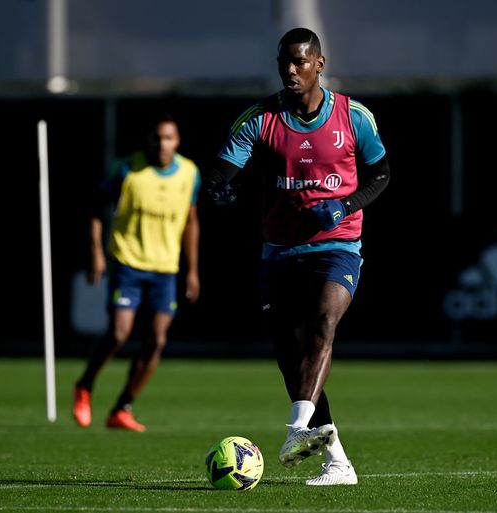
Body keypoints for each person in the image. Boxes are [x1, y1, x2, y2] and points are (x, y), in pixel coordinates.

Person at [206, 28, 390, 485]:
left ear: (319, 64)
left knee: (324, 322)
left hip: (338, 244)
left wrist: (345, 205)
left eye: (300, 61)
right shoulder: (260, 119)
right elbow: (224, 169)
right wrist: (220, 185)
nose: (290, 70)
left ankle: (295, 432)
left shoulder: (353, 117)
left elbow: (381, 173)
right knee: (291, 356)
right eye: (283, 62)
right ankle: (338, 462)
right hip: (281, 251)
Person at [72, 115, 201, 432]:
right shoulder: (128, 169)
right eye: (157, 137)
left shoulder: (189, 173)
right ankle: (85, 385)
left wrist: (192, 271)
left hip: (165, 269)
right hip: (128, 262)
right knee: (119, 333)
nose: (162, 144)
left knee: (157, 340)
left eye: (168, 138)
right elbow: (95, 208)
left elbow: (191, 222)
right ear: (149, 140)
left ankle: (122, 407)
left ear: (177, 141)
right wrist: (96, 253)